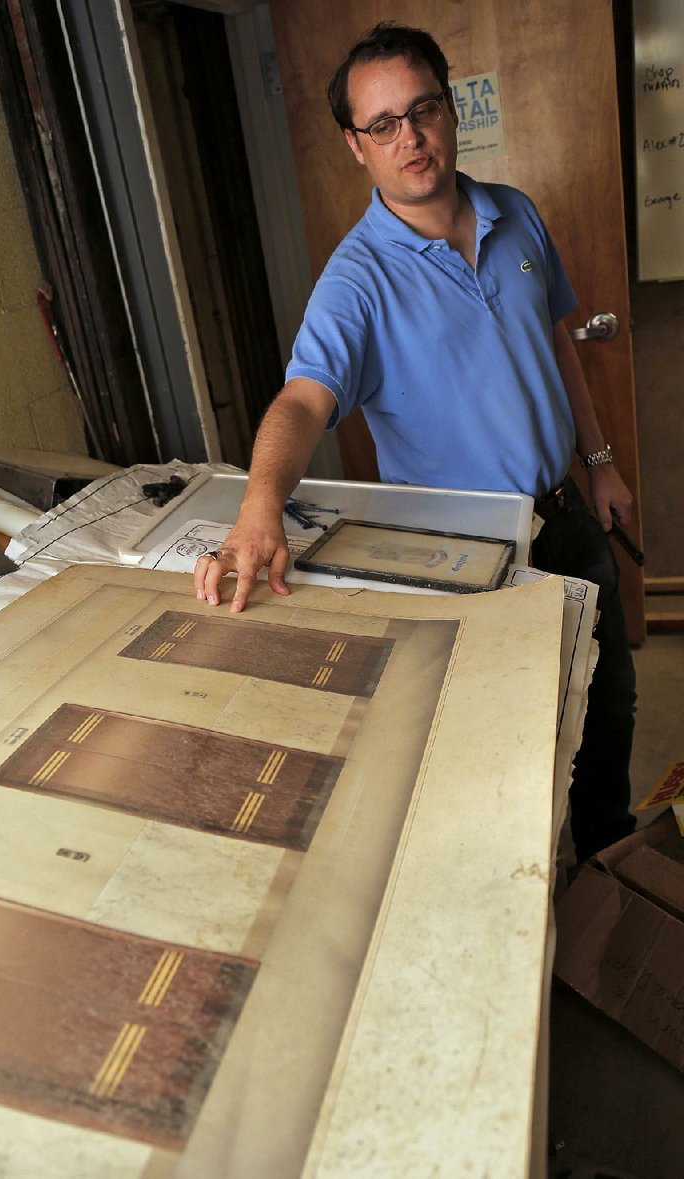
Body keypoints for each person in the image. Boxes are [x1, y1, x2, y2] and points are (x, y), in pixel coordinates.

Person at [192, 22, 636, 861]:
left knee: (610, 706)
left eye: (422, 109)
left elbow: (557, 341)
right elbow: (300, 402)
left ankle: (612, 872)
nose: (410, 137)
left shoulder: (517, 213)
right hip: (470, 562)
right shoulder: (356, 282)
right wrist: (260, 507)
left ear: (450, 107)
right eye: (383, 123)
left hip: (569, 518)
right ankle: (532, 900)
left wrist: (602, 461)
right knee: (505, 744)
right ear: (356, 146)